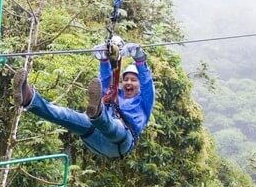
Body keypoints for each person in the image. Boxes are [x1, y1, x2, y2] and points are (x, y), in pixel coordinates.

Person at [13, 42, 155, 158]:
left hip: (120, 141)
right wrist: (104, 59)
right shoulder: (115, 94)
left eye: (133, 80)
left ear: (140, 84)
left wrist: (139, 58)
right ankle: (29, 98)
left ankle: (97, 114)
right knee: (65, 115)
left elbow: (147, 82)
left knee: (114, 126)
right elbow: (104, 84)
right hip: (94, 136)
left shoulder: (143, 101)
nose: (129, 82)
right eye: (126, 79)